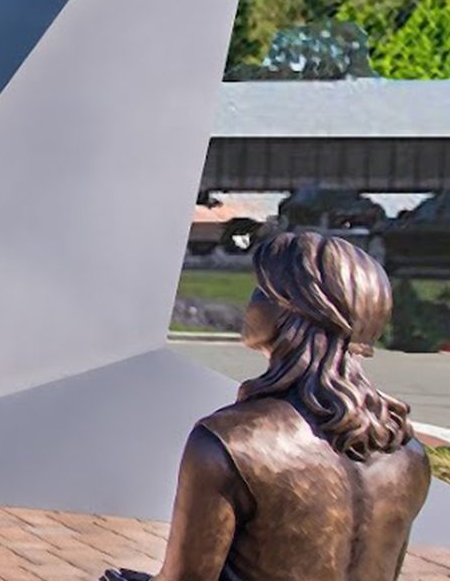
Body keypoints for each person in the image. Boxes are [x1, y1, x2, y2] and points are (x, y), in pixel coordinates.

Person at [102, 232, 431, 581]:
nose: (251, 301)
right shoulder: (409, 454)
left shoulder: (230, 442)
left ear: (297, 307)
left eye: (262, 290)